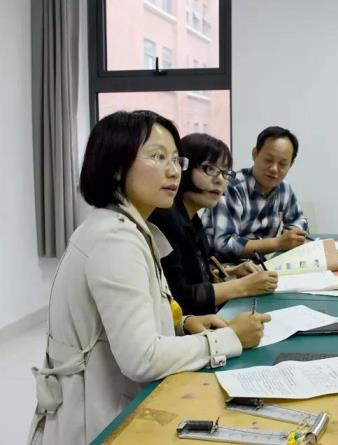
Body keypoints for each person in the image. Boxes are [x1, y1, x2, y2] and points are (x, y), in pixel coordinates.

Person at [28, 111, 271, 445]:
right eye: (157, 157)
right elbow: (141, 358)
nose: (173, 170)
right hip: (96, 426)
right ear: (116, 167)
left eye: (175, 159)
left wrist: (183, 323)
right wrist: (230, 339)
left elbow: (128, 318)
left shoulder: (126, 227)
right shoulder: (115, 240)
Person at [149, 133, 279, 315]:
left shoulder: (192, 218)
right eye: (210, 169)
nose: (220, 180)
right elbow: (178, 297)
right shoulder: (165, 219)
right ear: (183, 168)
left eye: (225, 173)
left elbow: (195, 275)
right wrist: (243, 286)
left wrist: (232, 272)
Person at [201, 126, 308, 260]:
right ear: (255, 154)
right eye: (268, 160)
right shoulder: (231, 187)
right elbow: (224, 245)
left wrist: (292, 232)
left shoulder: (284, 189)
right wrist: (278, 243)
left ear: (291, 164)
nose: (274, 169)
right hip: (223, 266)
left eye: (282, 164)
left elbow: (299, 219)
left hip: (260, 264)